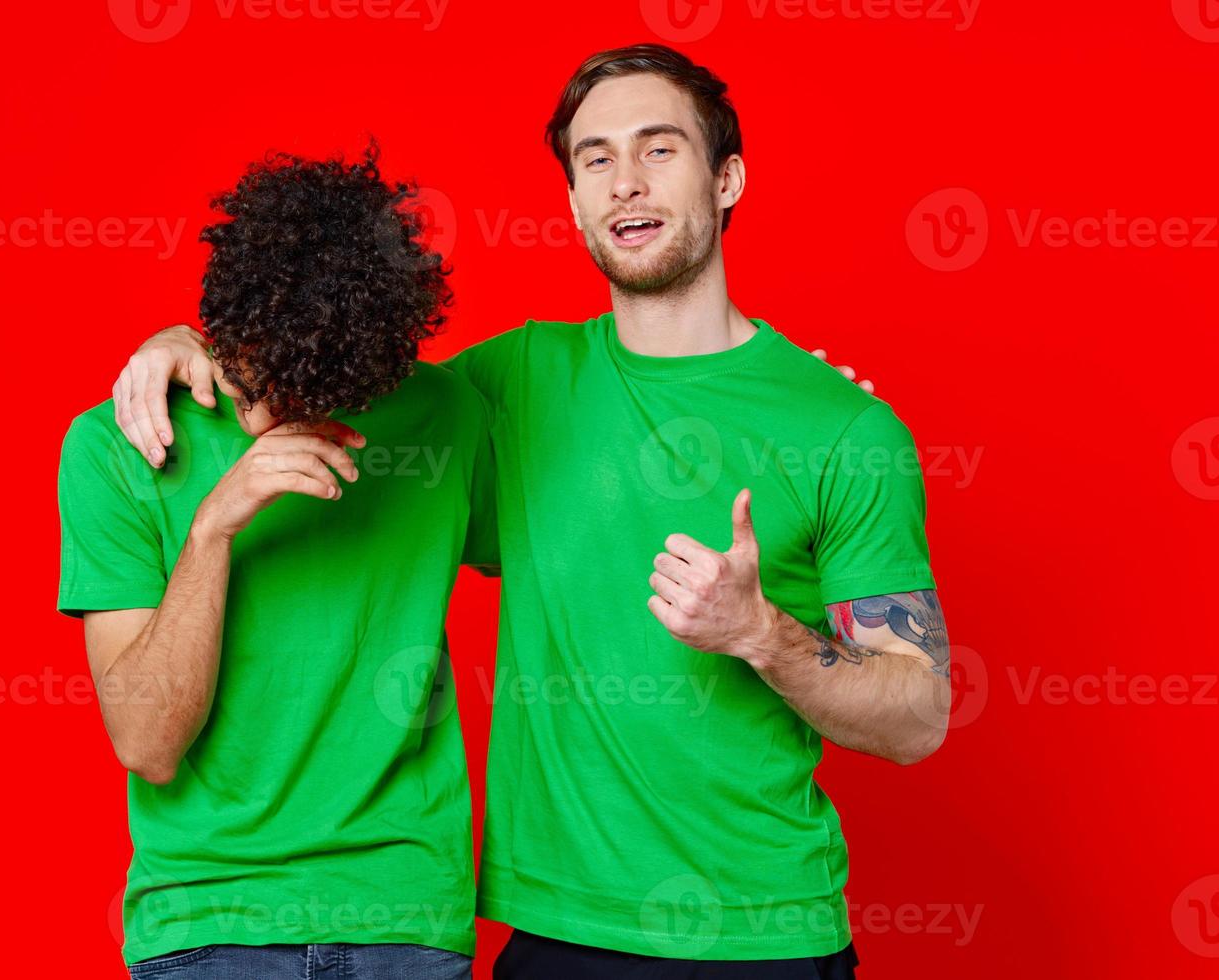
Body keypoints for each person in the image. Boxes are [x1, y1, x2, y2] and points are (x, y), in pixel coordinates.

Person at [109, 44, 950, 978]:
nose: (625, 183)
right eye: (596, 160)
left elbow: (915, 716)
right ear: (576, 203)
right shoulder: (504, 390)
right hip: (553, 935)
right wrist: (188, 338)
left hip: (766, 932)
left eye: (659, 150)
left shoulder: (845, 428)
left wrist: (761, 633)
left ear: (729, 179)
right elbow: (315, 372)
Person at [57, 145, 489, 979]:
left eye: (313, 391)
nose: (267, 420)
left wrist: (805, 410)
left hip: (404, 916)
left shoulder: (449, 416)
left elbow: (617, 432)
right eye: (261, 375)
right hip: (209, 919)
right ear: (227, 320)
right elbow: (148, 742)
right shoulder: (120, 444)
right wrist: (213, 527)